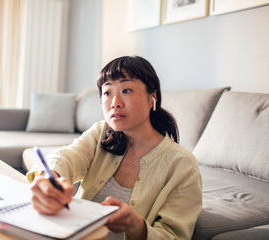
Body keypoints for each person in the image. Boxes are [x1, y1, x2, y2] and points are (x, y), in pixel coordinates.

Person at [27, 56, 202, 240]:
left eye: (126, 90)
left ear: (153, 98)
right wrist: (50, 178)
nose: (115, 103)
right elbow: (67, 157)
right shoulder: (100, 133)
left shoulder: (182, 165)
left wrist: (136, 226)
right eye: (107, 92)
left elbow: (174, 236)